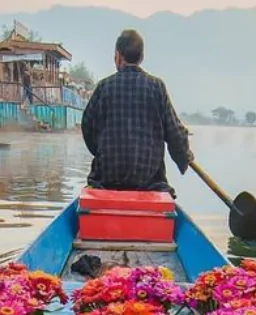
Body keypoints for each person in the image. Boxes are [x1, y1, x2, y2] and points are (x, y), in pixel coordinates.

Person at [81, 29, 193, 198]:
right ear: (141, 58)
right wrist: (184, 157)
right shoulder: (157, 87)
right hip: (149, 185)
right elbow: (175, 134)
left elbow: (87, 127)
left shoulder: (104, 87)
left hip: (106, 182)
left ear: (118, 56)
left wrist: (103, 153)